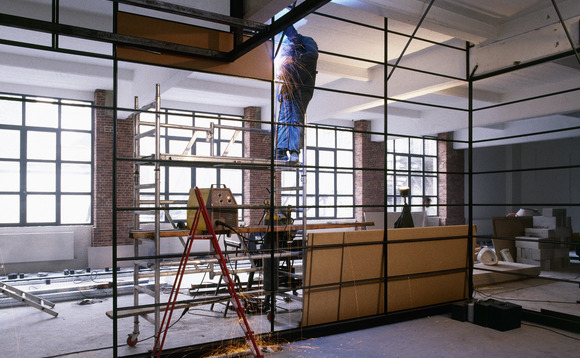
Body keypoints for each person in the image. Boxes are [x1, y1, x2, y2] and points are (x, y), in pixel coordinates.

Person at [275, 25, 318, 163]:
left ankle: (294, 151)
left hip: (302, 88)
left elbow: (312, 56)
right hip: (287, 89)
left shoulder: (307, 42)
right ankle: (281, 151)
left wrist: (294, 60)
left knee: (296, 120)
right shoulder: (286, 48)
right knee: (283, 120)